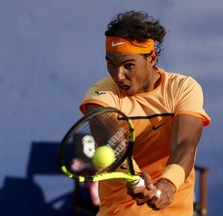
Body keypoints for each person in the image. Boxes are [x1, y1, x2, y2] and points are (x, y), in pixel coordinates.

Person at [79, 10, 211, 216]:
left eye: (128, 65)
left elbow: (185, 145)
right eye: (110, 64)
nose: (118, 75)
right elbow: (112, 144)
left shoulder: (184, 88)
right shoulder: (100, 95)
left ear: (151, 57)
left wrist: (167, 183)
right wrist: (135, 177)